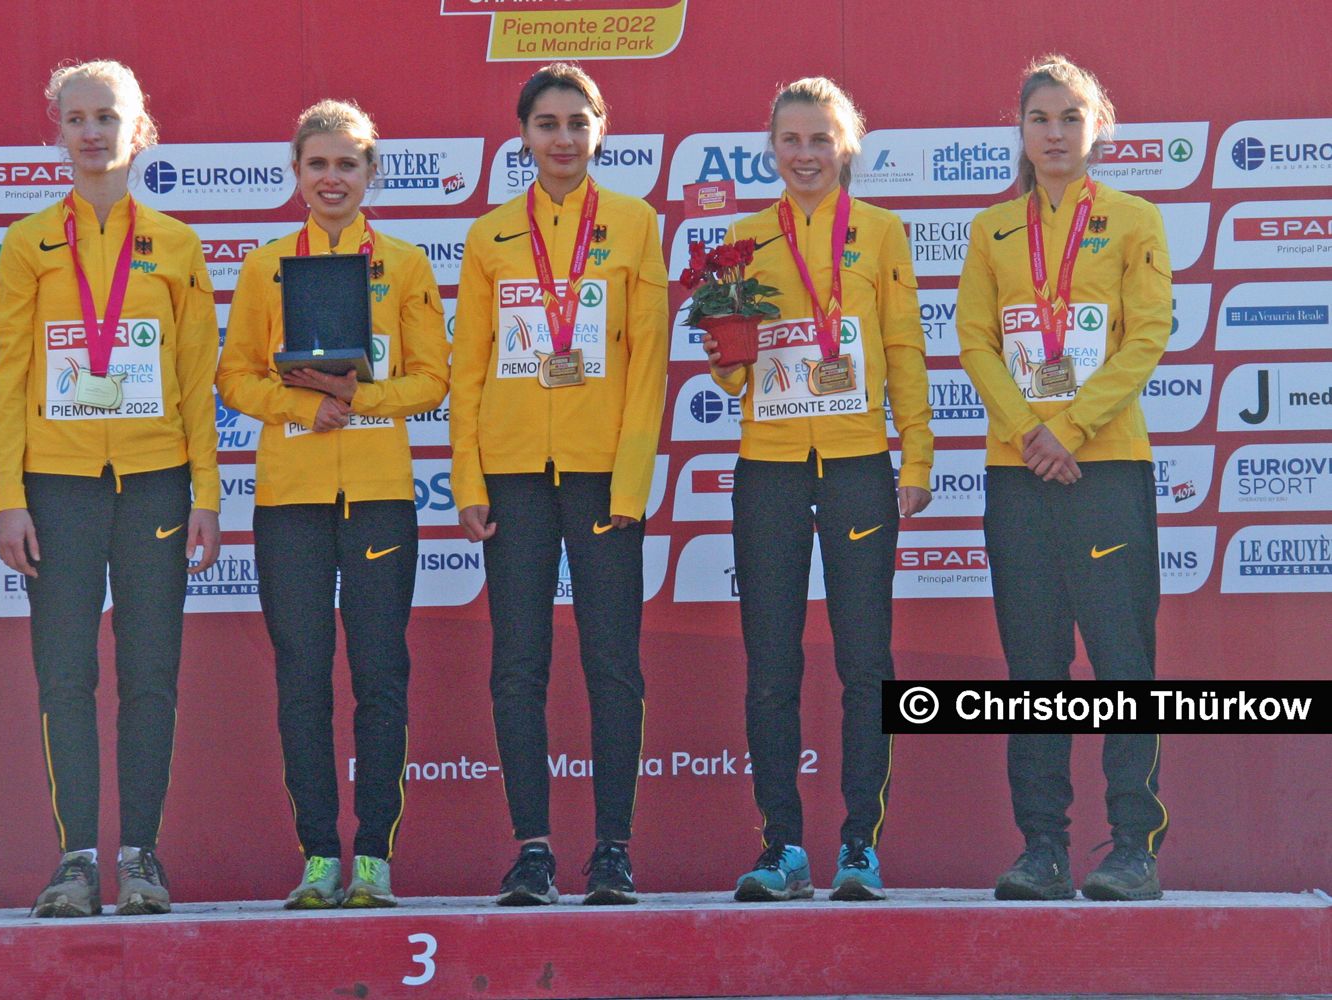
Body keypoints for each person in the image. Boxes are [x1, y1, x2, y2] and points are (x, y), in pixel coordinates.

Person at [0, 59, 221, 917]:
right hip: (57, 487)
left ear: (139, 129)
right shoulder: (27, 243)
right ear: (58, 131)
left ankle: (142, 858)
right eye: (77, 118)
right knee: (65, 676)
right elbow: (8, 378)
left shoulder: (176, 244)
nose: (92, 132)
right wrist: (9, 497)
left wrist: (206, 495)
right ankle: (77, 862)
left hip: (157, 483)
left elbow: (195, 382)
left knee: (151, 674)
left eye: (107, 117)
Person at [702, 77, 932, 903]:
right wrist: (725, 358)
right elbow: (733, 380)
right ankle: (783, 848)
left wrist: (917, 459)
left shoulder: (882, 232)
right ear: (772, 148)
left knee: (867, 663)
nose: (806, 155)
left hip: (858, 466)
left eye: (821, 139)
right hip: (768, 466)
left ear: (848, 146)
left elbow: (903, 349)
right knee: (771, 665)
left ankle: (860, 845)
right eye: (791, 140)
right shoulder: (742, 240)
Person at [217, 99, 449, 909]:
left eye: (347, 164)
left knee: (380, 675)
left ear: (371, 173)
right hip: (291, 499)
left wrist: (357, 400)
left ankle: (374, 857)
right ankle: (318, 855)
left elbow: (434, 380)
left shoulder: (405, 265)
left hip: (380, 496)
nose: (332, 178)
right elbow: (233, 377)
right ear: (296, 173)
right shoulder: (266, 266)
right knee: (302, 681)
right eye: (317, 164)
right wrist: (301, 407)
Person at [450, 62, 668, 906]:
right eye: (548, 123)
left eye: (579, 122)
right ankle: (532, 850)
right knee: (517, 666)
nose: (564, 138)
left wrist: (630, 482)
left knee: (613, 664)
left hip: (602, 476)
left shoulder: (635, 223)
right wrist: (468, 478)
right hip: (511, 478)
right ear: (523, 136)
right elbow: (469, 368)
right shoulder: (490, 235)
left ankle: (613, 849)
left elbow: (648, 364)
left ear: (601, 129)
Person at [957, 54, 1172, 901]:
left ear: (1098, 127)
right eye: (1040, 119)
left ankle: (1134, 849)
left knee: (1123, 661)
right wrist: (1028, 434)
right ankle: (1041, 848)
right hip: (1018, 473)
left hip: (1105, 466)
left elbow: (1147, 336)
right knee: (1034, 667)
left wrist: (1070, 430)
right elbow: (976, 340)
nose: (1054, 133)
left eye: (1071, 118)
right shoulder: (991, 230)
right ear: (1019, 130)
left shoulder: (1135, 219)